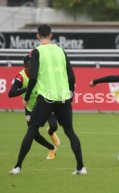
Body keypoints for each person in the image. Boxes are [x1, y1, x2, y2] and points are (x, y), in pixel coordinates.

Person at [10, 24, 86, 175]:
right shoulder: (61, 50)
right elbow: (71, 76)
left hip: (46, 98)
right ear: (51, 35)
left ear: (37, 36)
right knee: (70, 131)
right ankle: (80, 167)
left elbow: (34, 76)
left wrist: (26, 97)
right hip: (63, 97)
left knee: (32, 129)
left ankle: (18, 166)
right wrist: (71, 94)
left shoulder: (36, 52)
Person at [8, 55, 60, 160]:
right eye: (29, 66)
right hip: (30, 110)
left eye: (34, 66)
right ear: (25, 66)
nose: (32, 69)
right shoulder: (21, 77)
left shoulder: (41, 73)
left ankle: (50, 131)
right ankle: (52, 148)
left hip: (45, 105)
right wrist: (26, 89)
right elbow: (11, 93)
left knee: (54, 126)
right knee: (34, 135)